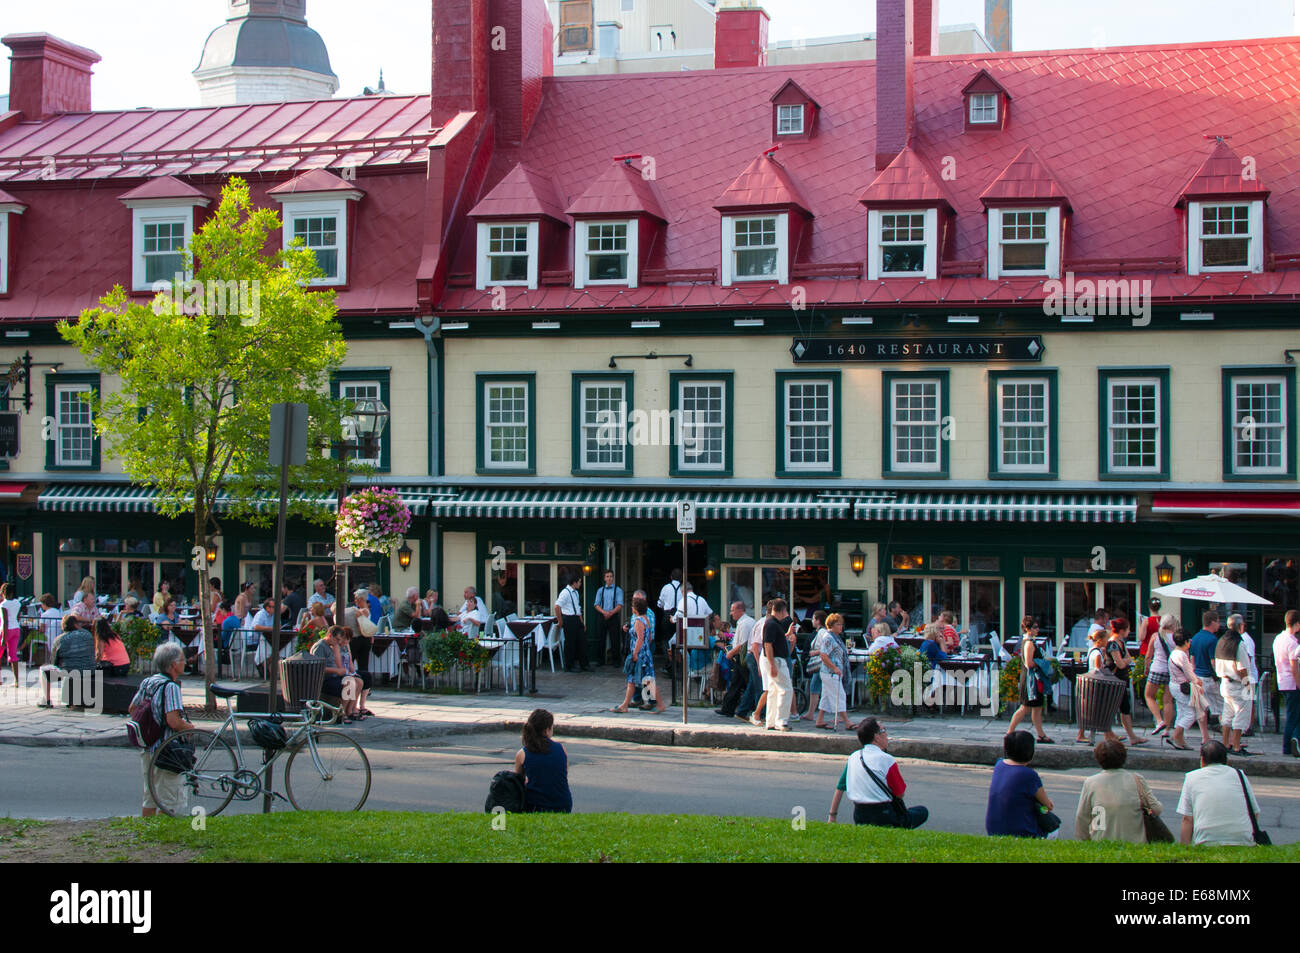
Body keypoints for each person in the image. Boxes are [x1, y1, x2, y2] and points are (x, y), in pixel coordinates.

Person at [828, 717, 928, 828]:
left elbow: (840, 787)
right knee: (922, 811)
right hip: (884, 815)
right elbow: (900, 794)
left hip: (859, 815)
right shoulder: (887, 760)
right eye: (884, 731)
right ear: (876, 737)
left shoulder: (854, 757)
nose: (886, 735)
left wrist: (832, 816)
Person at [133, 642, 194, 817]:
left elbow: (132, 708)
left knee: (150, 797)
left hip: (148, 747)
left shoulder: (148, 681)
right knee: (169, 800)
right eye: (182, 659)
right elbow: (173, 721)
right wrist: (189, 727)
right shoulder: (171, 687)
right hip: (166, 751)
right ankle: (164, 837)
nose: (185, 663)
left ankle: (147, 833)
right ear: (174, 664)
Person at [1073, 738, 1163, 843]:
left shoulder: (1091, 782)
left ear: (1098, 758)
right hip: (1135, 846)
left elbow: (1082, 817)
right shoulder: (1137, 780)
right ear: (1124, 756)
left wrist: (1083, 842)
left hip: (1101, 845)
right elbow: (1157, 809)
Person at [1176, 740, 1260, 846]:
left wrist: (1185, 850)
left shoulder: (1191, 777)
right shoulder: (1239, 775)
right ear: (1226, 760)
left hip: (1206, 842)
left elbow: (1187, 819)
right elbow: (1255, 812)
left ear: (1202, 760)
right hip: (1243, 841)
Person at [986, 731, 1054, 838]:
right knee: (1053, 829)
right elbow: (1048, 806)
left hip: (993, 829)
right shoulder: (1029, 775)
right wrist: (1044, 809)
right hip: (1021, 833)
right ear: (1030, 751)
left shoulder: (999, 765)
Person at [613, 593, 666, 713]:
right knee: (636, 679)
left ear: (635, 609)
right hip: (645, 652)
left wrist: (635, 653)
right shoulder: (646, 619)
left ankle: (660, 704)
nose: (631, 608)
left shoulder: (638, 621)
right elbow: (649, 636)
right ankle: (625, 704)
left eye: (632, 606)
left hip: (640, 654)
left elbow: (640, 639)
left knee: (646, 680)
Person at [1006, 617, 1055, 744]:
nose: (1037, 629)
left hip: (1034, 679)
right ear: (1028, 629)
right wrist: (1043, 663)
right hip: (1031, 680)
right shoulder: (1028, 643)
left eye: (1038, 627)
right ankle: (1010, 732)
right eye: (1035, 627)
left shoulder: (1030, 641)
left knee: (1037, 707)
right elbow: (1028, 663)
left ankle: (1041, 734)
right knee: (1025, 707)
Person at [513, 709, 572, 813]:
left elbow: (518, 782)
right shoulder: (561, 748)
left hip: (535, 806)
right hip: (563, 804)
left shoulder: (522, 754)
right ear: (547, 730)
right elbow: (563, 775)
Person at [1103, 618, 1147, 746]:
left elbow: (1128, 658)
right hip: (1113, 681)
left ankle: (1131, 736)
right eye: (1128, 628)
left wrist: (1126, 660)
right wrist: (1126, 660)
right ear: (1122, 630)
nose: (1130, 631)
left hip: (1121, 680)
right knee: (1112, 708)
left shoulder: (1121, 642)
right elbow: (1121, 663)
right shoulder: (1113, 644)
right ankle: (1108, 734)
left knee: (1124, 707)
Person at [1214, 619, 1255, 755]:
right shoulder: (1239, 643)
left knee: (1227, 714)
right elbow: (1242, 667)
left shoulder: (1221, 641)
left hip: (1225, 682)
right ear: (1240, 626)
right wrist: (1247, 683)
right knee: (1241, 714)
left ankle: (1226, 743)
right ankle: (1236, 746)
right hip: (1238, 683)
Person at [39, 614, 97, 707]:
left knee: (44, 671)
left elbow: (54, 662)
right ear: (76, 624)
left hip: (70, 671)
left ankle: (47, 700)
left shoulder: (59, 639)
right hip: (90, 670)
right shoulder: (88, 635)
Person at [1167, 628, 1209, 751]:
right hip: (1182, 686)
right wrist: (1197, 682)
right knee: (1191, 714)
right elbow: (1189, 673)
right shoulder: (1181, 655)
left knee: (1181, 711)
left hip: (1174, 685)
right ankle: (1176, 736)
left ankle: (1180, 740)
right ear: (1186, 641)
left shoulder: (1174, 653)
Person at [310, 625, 364, 722]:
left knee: (359, 682)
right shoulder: (320, 646)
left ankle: (349, 711)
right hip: (324, 679)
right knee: (349, 683)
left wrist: (336, 650)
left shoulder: (333, 646)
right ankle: (341, 713)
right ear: (330, 635)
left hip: (335, 677)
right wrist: (336, 671)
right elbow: (317, 667)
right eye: (337, 639)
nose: (339, 642)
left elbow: (339, 663)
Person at [813, 613, 855, 731]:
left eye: (841, 624)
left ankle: (820, 719)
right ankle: (847, 722)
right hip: (830, 673)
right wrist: (835, 668)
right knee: (839, 695)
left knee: (826, 696)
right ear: (831, 625)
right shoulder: (828, 638)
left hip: (831, 673)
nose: (841, 626)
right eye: (838, 624)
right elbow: (823, 655)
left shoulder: (835, 637)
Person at [761, 598, 796, 731]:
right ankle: (781, 721)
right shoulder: (772, 624)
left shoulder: (772, 624)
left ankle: (771, 721)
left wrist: (786, 634)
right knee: (786, 689)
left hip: (773, 659)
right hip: (776, 660)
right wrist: (772, 664)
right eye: (785, 611)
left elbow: (773, 641)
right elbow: (768, 644)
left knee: (774, 691)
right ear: (781, 610)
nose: (786, 614)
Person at [715, 601, 754, 718]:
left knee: (747, 684)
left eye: (732, 610)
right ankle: (728, 708)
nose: (731, 613)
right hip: (741, 657)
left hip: (742, 657)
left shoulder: (745, 624)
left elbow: (742, 644)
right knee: (736, 684)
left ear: (740, 610)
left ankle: (745, 708)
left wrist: (730, 653)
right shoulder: (745, 622)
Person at [1143, 612, 1177, 737]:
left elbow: (1148, 655)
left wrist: (1146, 668)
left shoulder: (1155, 636)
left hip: (1157, 668)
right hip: (1171, 670)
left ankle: (1159, 720)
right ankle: (1167, 729)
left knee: (1149, 696)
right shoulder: (1176, 637)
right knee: (1168, 701)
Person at [1273, 610, 1300, 757]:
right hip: (1292, 682)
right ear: (1296, 624)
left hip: (1282, 680)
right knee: (1293, 716)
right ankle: (1289, 745)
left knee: (1292, 714)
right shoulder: (1292, 644)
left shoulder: (1278, 638)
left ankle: (1292, 743)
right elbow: (1294, 668)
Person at [1189, 610, 1223, 726]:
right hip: (1209, 677)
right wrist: (1220, 676)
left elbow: (1192, 659)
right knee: (1221, 707)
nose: (1219, 624)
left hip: (1198, 677)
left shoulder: (1195, 637)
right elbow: (1213, 662)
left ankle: (1205, 736)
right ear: (1212, 622)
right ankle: (1227, 735)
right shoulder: (1213, 639)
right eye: (1218, 622)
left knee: (1201, 708)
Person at [554, 575, 589, 673]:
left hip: (576, 618)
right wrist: (560, 621)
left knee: (582, 642)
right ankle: (569, 666)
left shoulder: (576, 593)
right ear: (574, 582)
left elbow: (577, 608)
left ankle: (584, 664)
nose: (580, 584)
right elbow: (557, 606)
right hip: (568, 619)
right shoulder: (565, 593)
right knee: (570, 643)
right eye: (579, 582)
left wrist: (582, 622)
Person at [337, 628, 373, 719]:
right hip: (342, 671)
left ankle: (359, 706)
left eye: (348, 639)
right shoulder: (336, 647)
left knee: (364, 676)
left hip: (347, 670)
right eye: (345, 638)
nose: (346, 641)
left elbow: (350, 662)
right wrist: (349, 673)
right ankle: (347, 711)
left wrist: (353, 672)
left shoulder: (346, 646)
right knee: (354, 681)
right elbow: (338, 664)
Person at [592, 569, 624, 666]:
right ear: (604, 578)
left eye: (611, 576)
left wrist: (611, 613)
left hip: (613, 617)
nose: (609, 578)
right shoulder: (600, 590)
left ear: (613, 578)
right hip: (602, 616)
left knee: (615, 639)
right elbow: (596, 604)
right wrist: (604, 612)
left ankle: (616, 661)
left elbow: (620, 605)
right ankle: (600, 660)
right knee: (601, 639)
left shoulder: (618, 590)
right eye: (607, 576)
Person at [802, 609, 828, 720]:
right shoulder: (821, 632)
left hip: (820, 663)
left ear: (818, 620)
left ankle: (811, 713)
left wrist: (815, 652)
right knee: (816, 687)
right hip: (821, 663)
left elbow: (825, 647)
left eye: (813, 619)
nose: (812, 621)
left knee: (815, 687)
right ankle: (812, 713)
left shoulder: (822, 632)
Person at [656, 569, 683, 655]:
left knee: (665, 639)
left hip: (667, 615)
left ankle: (669, 662)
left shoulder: (666, 588)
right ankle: (678, 661)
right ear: (681, 578)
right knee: (679, 639)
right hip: (680, 616)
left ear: (671, 577)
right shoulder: (684, 589)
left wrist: (664, 608)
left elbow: (659, 604)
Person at [0, 582, 20, 686]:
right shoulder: (17, 602)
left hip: (6, 630)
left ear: (3, 592)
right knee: (13, 655)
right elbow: (18, 617)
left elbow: (5, 621)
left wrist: (3, 638)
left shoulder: (3, 604)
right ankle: (16, 680)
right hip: (16, 628)